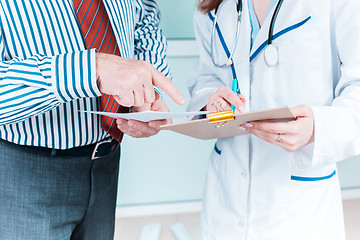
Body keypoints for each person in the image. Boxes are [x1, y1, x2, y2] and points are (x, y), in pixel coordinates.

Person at [0, 0, 185, 239]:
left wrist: (147, 88)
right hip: (24, 173)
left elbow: (145, 19)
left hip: (106, 163)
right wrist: (89, 69)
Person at [188, 0, 360, 239]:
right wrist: (211, 102)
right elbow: (205, 75)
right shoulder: (214, 6)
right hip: (226, 195)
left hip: (300, 204)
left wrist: (316, 128)